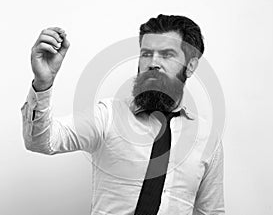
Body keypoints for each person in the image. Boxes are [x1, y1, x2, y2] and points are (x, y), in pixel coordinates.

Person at [21, 14, 225, 214]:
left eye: (167, 54)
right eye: (146, 54)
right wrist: (42, 83)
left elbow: (211, 210)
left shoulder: (207, 137)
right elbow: (41, 141)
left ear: (190, 66)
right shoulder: (107, 116)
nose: (153, 63)